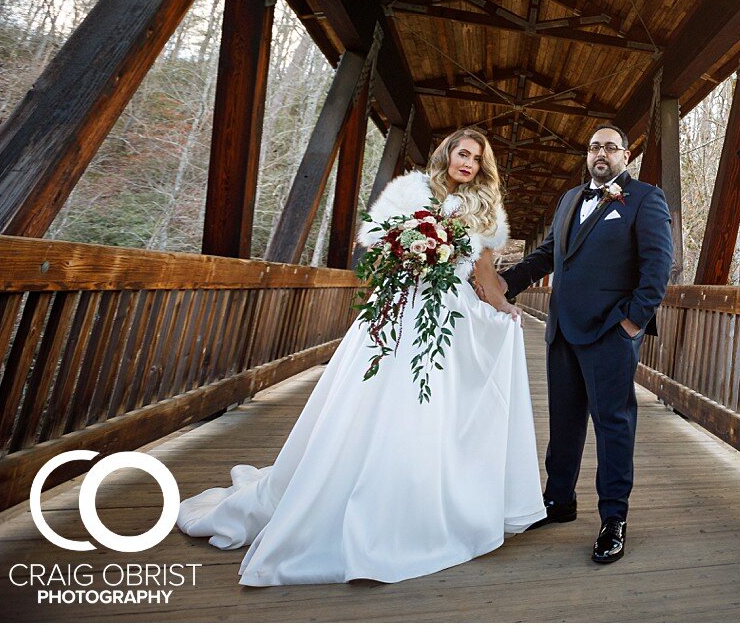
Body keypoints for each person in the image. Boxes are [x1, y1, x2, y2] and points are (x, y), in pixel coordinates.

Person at [178, 128, 546, 585]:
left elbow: (486, 276)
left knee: (431, 408)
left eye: (476, 157)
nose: (468, 161)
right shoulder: (411, 191)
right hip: (397, 311)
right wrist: (412, 251)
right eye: (462, 152)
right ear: (448, 154)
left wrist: (506, 307)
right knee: (376, 402)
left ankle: (419, 501)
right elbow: (374, 246)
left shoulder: (485, 209)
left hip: (447, 319)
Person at [480, 124, 671, 565]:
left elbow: (658, 267)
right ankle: (558, 499)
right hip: (562, 330)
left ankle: (613, 519)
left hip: (609, 332)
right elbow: (548, 254)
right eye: (593, 147)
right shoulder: (569, 199)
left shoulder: (644, 199)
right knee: (564, 423)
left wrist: (631, 324)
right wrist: (503, 284)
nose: (601, 153)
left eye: (610, 146)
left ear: (626, 155)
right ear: (587, 155)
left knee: (613, 425)